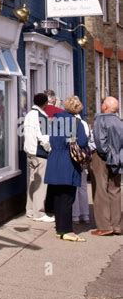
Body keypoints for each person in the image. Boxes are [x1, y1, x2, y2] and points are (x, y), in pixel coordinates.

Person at [45, 96, 89, 242]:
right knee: (67, 198)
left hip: (54, 160)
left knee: (57, 196)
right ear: (77, 109)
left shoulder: (55, 121)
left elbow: (51, 140)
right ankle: (67, 230)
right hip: (68, 162)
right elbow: (82, 142)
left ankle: (59, 229)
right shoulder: (77, 123)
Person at [90, 96, 123, 236]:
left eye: (103, 103)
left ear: (105, 107)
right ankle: (117, 226)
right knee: (115, 190)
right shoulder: (119, 122)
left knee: (100, 190)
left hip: (102, 158)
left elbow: (100, 143)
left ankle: (104, 226)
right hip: (118, 158)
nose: (101, 104)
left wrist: (108, 154)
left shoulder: (100, 119)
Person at [23, 93, 54, 222]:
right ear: (45, 103)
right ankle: (39, 213)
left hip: (29, 151)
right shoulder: (42, 117)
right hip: (40, 153)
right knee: (40, 184)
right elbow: (44, 138)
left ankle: (30, 210)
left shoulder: (29, 114)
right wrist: (50, 149)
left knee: (32, 181)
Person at [71, 103, 91, 225]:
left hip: (73, 157)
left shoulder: (69, 122)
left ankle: (75, 216)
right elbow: (86, 140)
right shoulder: (83, 123)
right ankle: (85, 214)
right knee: (83, 187)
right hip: (82, 158)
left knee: (74, 187)